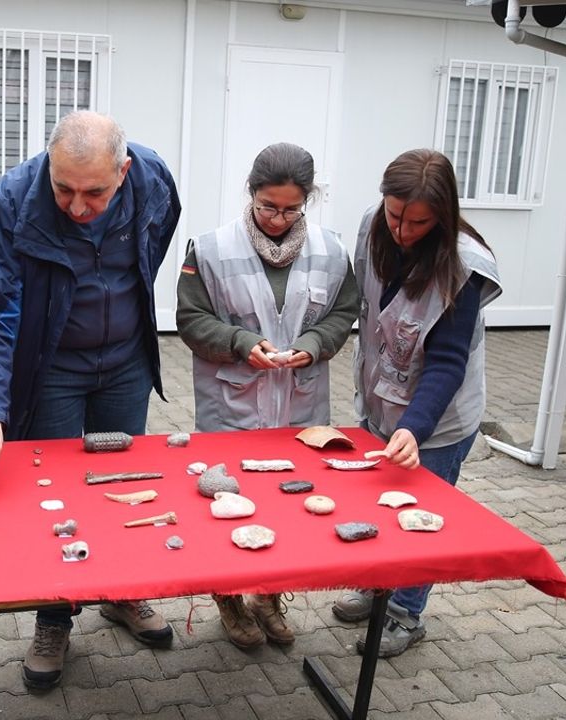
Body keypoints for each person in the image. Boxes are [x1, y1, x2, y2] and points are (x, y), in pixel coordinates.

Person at [0, 110, 181, 690]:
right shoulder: (12, 200)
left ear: (124, 172)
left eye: (95, 192)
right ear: (48, 167)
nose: (79, 206)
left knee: (125, 487)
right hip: (53, 367)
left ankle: (120, 593)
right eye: (65, 189)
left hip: (126, 362)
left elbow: (157, 238)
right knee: (56, 496)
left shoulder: (153, 179)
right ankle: (55, 616)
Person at [176, 142, 359, 649]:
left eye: (291, 209)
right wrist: (238, 343)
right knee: (225, 504)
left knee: (287, 506)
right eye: (267, 206)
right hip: (231, 406)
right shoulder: (210, 248)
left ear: (307, 201)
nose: (278, 218)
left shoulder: (332, 249)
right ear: (251, 194)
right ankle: (229, 598)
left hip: (300, 407)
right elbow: (190, 319)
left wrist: (314, 343)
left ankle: (269, 596)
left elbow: (344, 313)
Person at [333, 148, 502, 657]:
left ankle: (406, 613)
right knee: (379, 503)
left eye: (419, 222)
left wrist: (414, 427)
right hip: (381, 400)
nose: (403, 230)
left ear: (444, 216)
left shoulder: (463, 264)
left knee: (418, 515)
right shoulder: (373, 225)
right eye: (394, 215)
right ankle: (378, 586)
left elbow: (448, 361)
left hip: (438, 417)